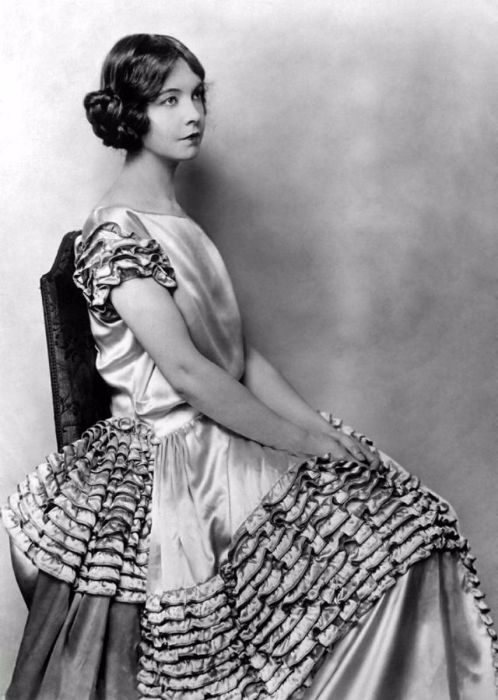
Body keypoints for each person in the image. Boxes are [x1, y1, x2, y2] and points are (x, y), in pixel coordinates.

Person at [2, 33, 497, 700]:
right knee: (370, 546)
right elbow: (187, 372)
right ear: (132, 112)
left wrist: (320, 432)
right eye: (170, 100)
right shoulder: (116, 231)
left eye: (197, 96)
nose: (193, 114)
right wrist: (296, 441)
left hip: (219, 429)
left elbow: (240, 358)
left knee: (411, 519)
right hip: (176, 458)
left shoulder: (177, 220)